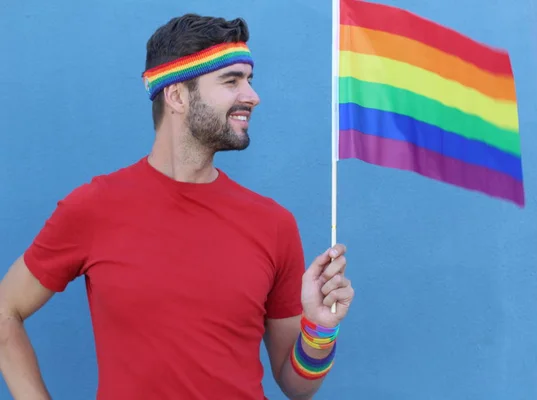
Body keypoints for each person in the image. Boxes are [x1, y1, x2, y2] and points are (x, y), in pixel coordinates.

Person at [0, 13, 354, 400]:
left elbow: (297, 386)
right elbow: (6, 312)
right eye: (231, 80)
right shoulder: (94, 207)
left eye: (249, 80)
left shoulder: (274, 224)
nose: (252, 95)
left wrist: (320, 330)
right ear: (177, 96)